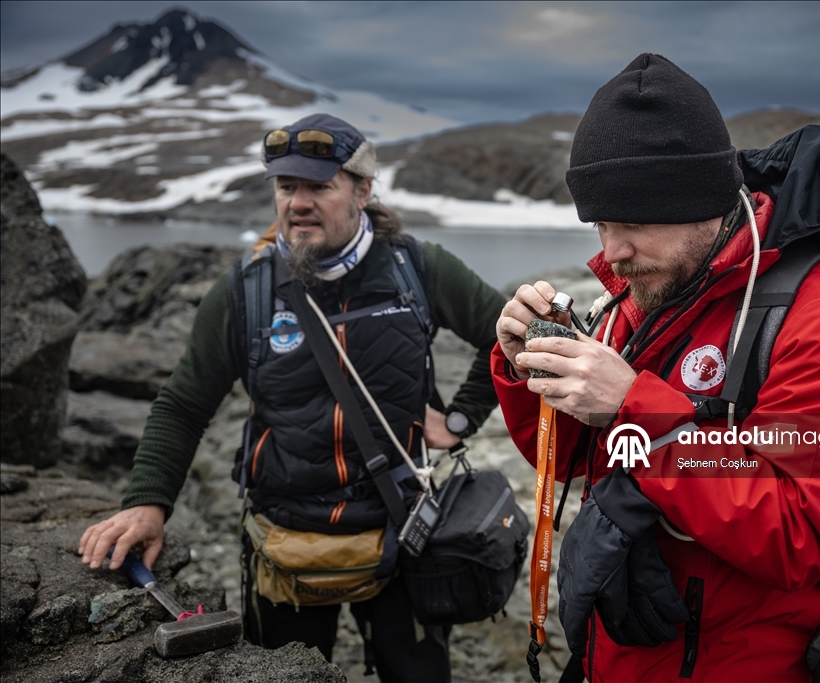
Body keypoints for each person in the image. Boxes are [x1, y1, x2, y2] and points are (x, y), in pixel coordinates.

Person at [494, 54, 820, 682]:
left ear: (703, 202)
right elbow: (576, 458)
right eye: (600, 223)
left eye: (632, 224)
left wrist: (638, 412)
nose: (611, 253)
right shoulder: (643, 295)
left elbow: (800, 533)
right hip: (622, 652)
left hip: (744, 665)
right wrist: (530, 371)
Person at [79, 113, 507, 682]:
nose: (298, 202)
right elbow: (183, 404)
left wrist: (460, 416)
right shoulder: (244, 292)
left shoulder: (418, 269)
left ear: (361, 190)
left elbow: (510, 340)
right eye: (286, 187)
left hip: (402, 535)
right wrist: (148, 503)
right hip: (285, 543)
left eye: (318, 186)